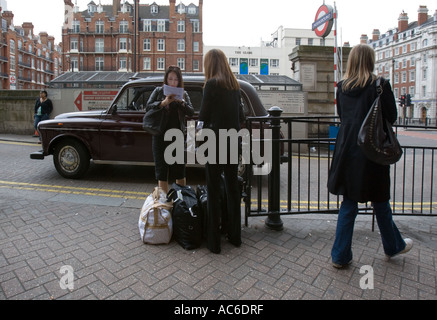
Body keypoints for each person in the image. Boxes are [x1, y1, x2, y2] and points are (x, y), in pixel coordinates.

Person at [327, 44, 412, 268]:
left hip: (347, 150)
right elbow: (391, 117)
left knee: (349, 203)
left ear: (352, 61)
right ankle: (393, 246)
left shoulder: (342, 87)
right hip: (372, 150)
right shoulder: (380, 85)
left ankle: (340, 255)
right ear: (371, 61)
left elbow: (343, 116)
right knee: (380, 201)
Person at [198, 49, 245, 254]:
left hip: (215, 142)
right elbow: (241, 115)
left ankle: (214, 242)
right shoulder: (235, 85)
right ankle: (235, 237)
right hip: (232, 141)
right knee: (233, 189)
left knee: (214, 188)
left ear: (211, 64)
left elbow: (203, 115)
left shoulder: (211, 84)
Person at [146, 66, 194, 193]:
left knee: (179, 170)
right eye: (170, 79)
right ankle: (164, 206)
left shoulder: (183, 94)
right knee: (162, 171)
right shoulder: (158, 91)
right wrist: (163, 103)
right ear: (166, 80)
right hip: (160, 136)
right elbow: (148, 108)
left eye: (176, 80)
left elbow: (191, 112)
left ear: (179, 81)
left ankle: (181, 201)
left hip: (177, 136)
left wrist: (182, 102)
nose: (173, 82)